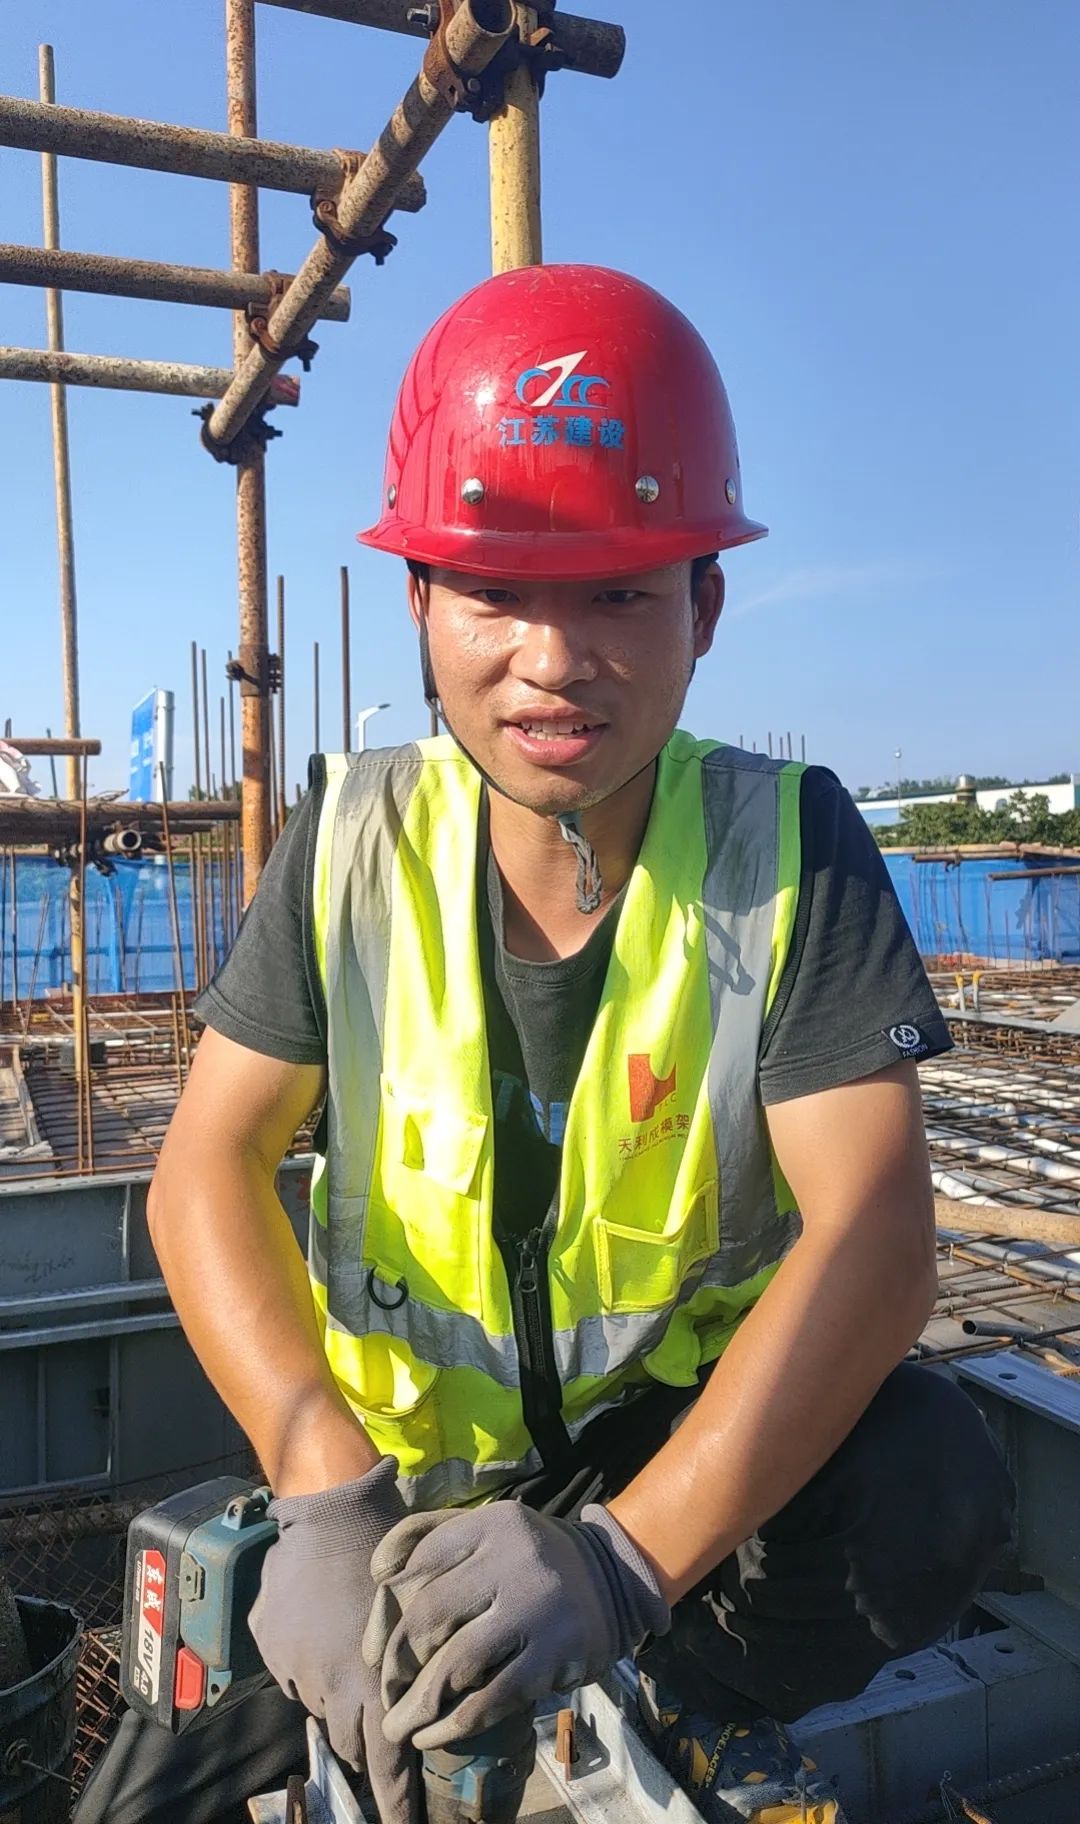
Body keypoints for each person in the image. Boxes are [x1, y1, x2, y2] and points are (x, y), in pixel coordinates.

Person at [84, 266, 1012, 1824]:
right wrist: (318, 1489)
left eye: (619, 593)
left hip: (662, 1479)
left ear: (704, 608)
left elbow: (879, 1234)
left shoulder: (789, 842)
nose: (553, 656)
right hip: (394, 1490)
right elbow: (206, 1169)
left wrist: (624, 1562)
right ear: (419, 601)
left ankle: (671, 1691)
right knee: (147, 1798)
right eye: (497, 592)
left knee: (930, 1475)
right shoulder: (350, 844)